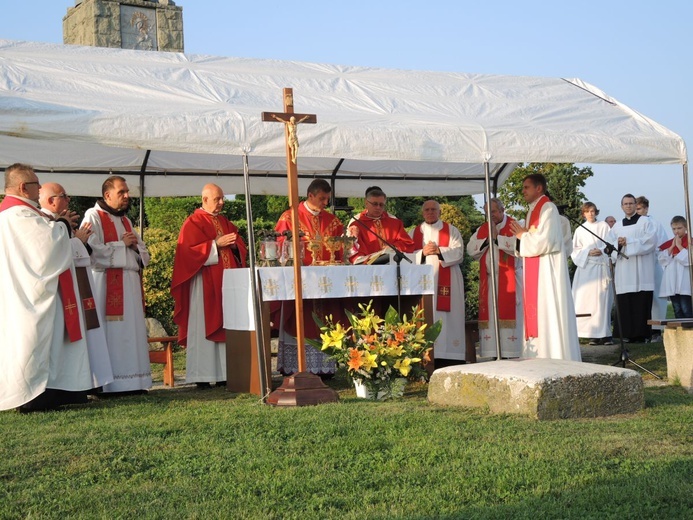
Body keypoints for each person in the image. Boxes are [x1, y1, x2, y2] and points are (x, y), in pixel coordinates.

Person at [0, 164, 93, 412]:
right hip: (30, 296)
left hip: (25, 290)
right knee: (32, 343)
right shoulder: (19, 216)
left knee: (41, 343)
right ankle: (32, 396)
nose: (39, 188)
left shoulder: (15, 214)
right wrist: (62, 225)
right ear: (22, 187)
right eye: (35, 184)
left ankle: (54, 391)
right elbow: (46, 250)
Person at [171, 184, 248, 388]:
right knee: (203, 326)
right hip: (203, 284)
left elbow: (240, 247)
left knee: (226, 325)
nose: (222, 202)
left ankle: (224, 374)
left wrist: (235, 245)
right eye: (217, 199)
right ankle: (202, 376)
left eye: (222, 198)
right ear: (204, 200)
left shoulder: (224, 221)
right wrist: (215, 245)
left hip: (226, 284)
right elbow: (187, 253)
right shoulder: (193, 222)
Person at [39, 183, 114, 389]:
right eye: (64, 196)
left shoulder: (59, 222)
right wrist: (78, 241)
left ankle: (86, 382)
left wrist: (80, 240)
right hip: (61, 291)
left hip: (78, 284)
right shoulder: (43, 222)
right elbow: (52, 254)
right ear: (51, 200)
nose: (68, 200)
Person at [83, 176, 152, 394]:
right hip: (106, 285)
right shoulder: (93, 216)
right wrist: (122, 245)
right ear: (107, 195)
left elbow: (143, 250)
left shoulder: (125, 220)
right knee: (111, 335)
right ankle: (110, 384)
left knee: (131, 333)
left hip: (129, 285)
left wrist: (133, 249)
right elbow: (93, 251)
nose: (127, 196)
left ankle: (134, 382)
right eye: (121, 192)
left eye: (127, 192)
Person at [274, 179, 344, 376]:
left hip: (326, 283)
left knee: (327, 319)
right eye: (321, 199)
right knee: (300, 319)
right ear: (310, 195)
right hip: (301, 280)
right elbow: (280, 248)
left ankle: (325, 367)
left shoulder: (333, 220)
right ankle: (296, 368)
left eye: (327, 199)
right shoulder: (289, 217)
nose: (325, 203)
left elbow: (340, 251)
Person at [510, 174, 581, 361]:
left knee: (548, 308)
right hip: (537, 268)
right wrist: (522, 237)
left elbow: (546, 241)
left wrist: (522, 237)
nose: (523, 191)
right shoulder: (532, 210)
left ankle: (553, 354)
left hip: (547, 271)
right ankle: (538, 354)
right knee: (539, 310)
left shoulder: (548, 208)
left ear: (539, 188)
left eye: (526, 187)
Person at [409, 200, 466, 368]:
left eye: (434, 209)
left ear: (439, 212)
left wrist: (440, 250)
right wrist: (422, 253)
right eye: (427, 209)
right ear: (422, 213)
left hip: (449, 281)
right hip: (423, 282)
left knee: (450, 318)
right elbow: (406, 256)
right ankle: (424, 357)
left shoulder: (451, 231)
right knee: (426, 316)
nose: (430, 212)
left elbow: (459, 252)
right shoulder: (414, 232)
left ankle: (450, 356)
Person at [467, 198, 523, 359]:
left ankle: (512, 351)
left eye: (493, 212)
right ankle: (493, 352)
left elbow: (519, 247)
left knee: (512, 313)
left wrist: (497, 237)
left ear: (502, 209)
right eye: (487, 213)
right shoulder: (482, 229)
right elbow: (471, 250)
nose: (490, 215)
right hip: (490, 281)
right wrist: (487, 239)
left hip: (511, 278)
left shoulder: (515, 225)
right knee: (491, 316)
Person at [608, 194, 657, 342]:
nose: (628, 206)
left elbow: (650, 242)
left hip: (642, 270)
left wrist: (629, 241)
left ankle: (641, 335)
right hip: (624, 271)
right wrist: (619, 244)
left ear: (636, 205)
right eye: (625, 204)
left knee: (641, 303)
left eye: (631, 203)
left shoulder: (646, 222)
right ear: (622, 206)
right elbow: (610, 246)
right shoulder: (617, 227)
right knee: (625, 302)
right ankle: (626, 334)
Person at [570, 202, 614, 345]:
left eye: (593, 211)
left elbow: (610, 242)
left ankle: (605, 334)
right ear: (583, 213)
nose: (591, 214)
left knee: (602, 302)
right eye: (588, 211)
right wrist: (588, 251)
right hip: (587, 269)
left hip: (601, 268)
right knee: (588, 302)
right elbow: (575, 250)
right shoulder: (580, 230)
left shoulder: (603, 226)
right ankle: (591, 334)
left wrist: (600, 250)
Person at [347, 186, 415, 263]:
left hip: (392, 264)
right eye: (375, 204)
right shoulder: (357, 224)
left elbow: (408, 243)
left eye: (381, 205)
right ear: (366, 203)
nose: (378, 207)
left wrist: (393, 247)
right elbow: (354, 250)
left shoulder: (395, 223)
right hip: (369, 267)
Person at [636, 196, 669, 340]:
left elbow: (663, 244)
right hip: (638, 265)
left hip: (653, 262)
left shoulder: (655, 224)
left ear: (646, 208)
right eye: (636, 209)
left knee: (657, 296)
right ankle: (641, 329)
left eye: (639, 208)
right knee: (640, 297)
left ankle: (656, 329)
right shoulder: (633, 225)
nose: (637, 211)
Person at [657, 216, 692, 318]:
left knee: (686, 308)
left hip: (685, 283)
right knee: (677, 309)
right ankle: (680, 332)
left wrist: (680, 246)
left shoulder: (690, 242)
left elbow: (689, 260)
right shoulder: (669, 244)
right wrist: (672, 247)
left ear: (685, 228)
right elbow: (662, 261)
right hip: (672, 281)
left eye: (679, 228)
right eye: (674, 229)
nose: (676, 231)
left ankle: (689, 332)